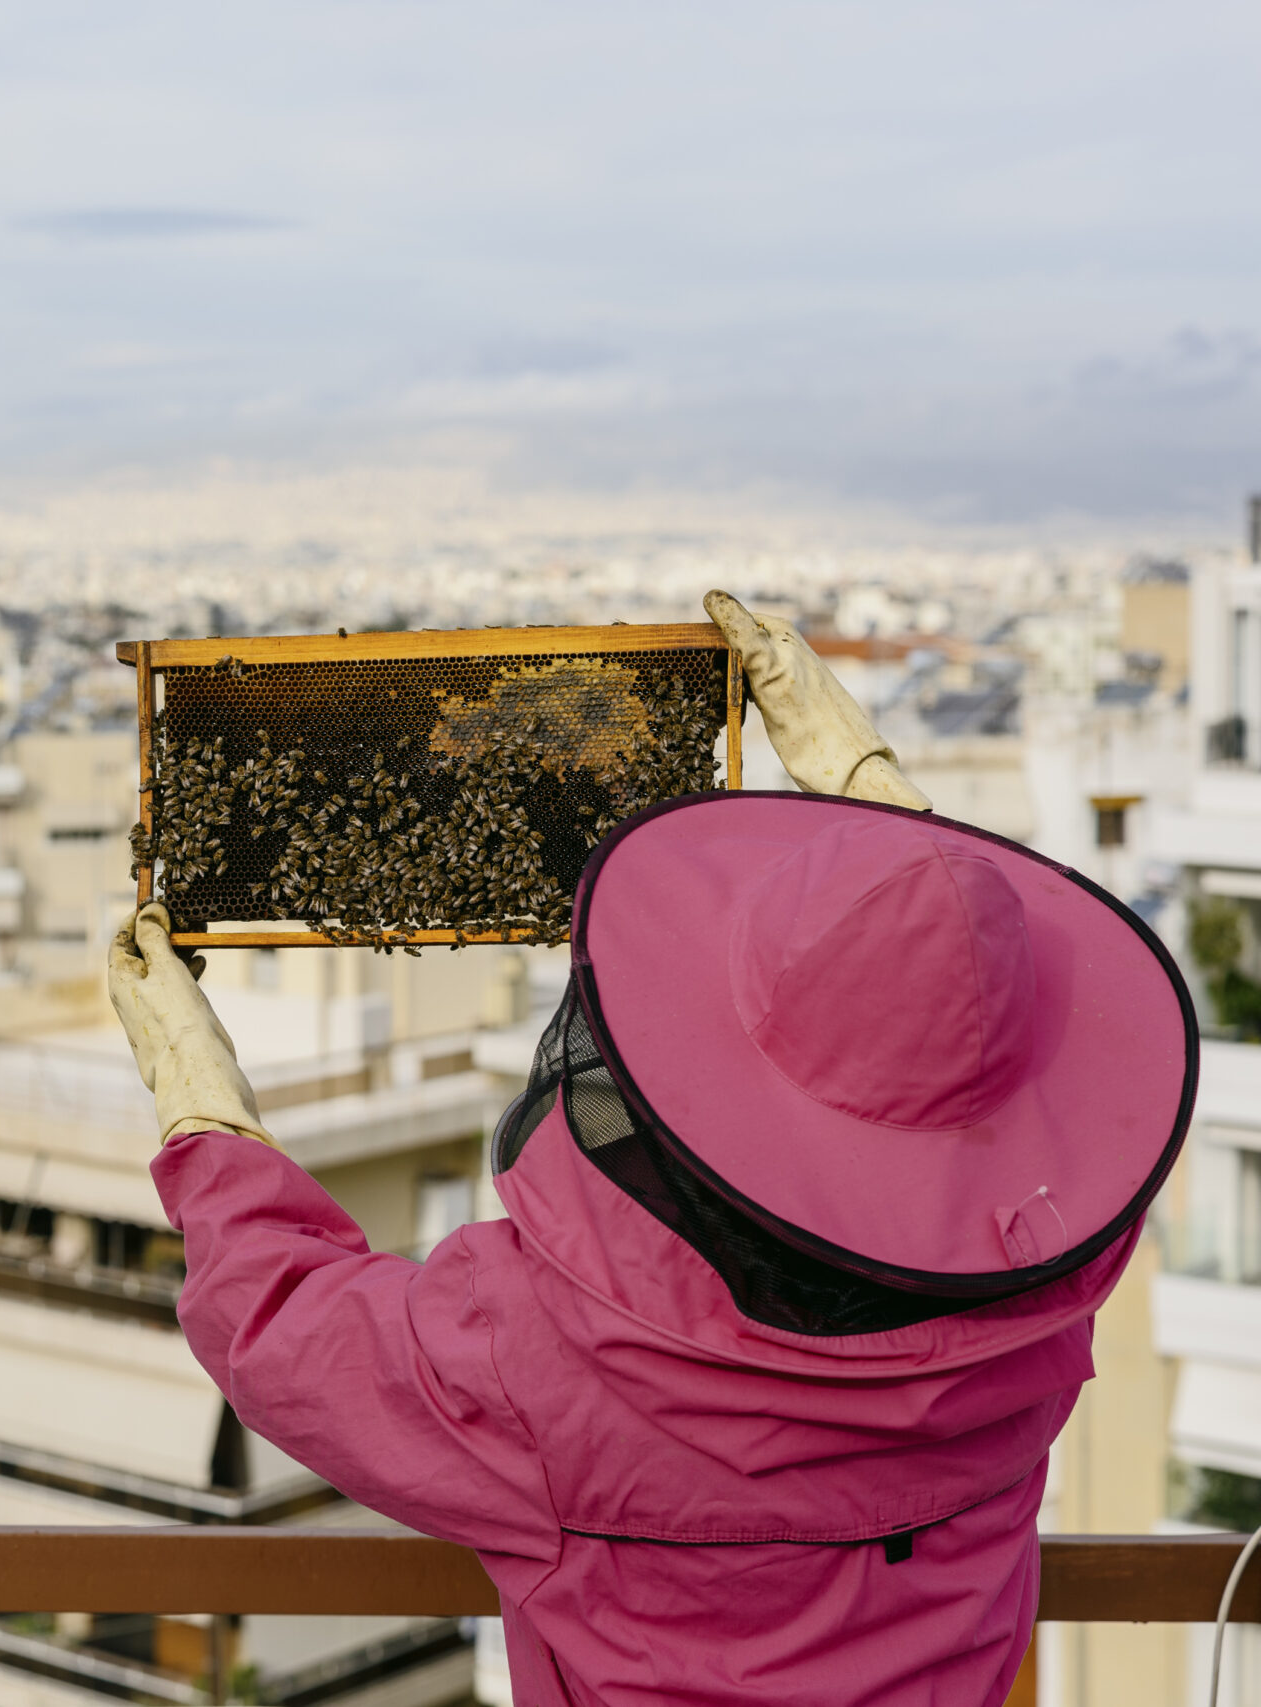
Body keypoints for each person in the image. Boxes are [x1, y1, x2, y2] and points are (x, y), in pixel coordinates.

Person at [108, 592, 1197, 1707]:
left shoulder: (545, 1363)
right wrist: (887, 824)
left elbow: (281, 1328)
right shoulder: (1036, 1313)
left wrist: (202, 1108)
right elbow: (947, 1071)